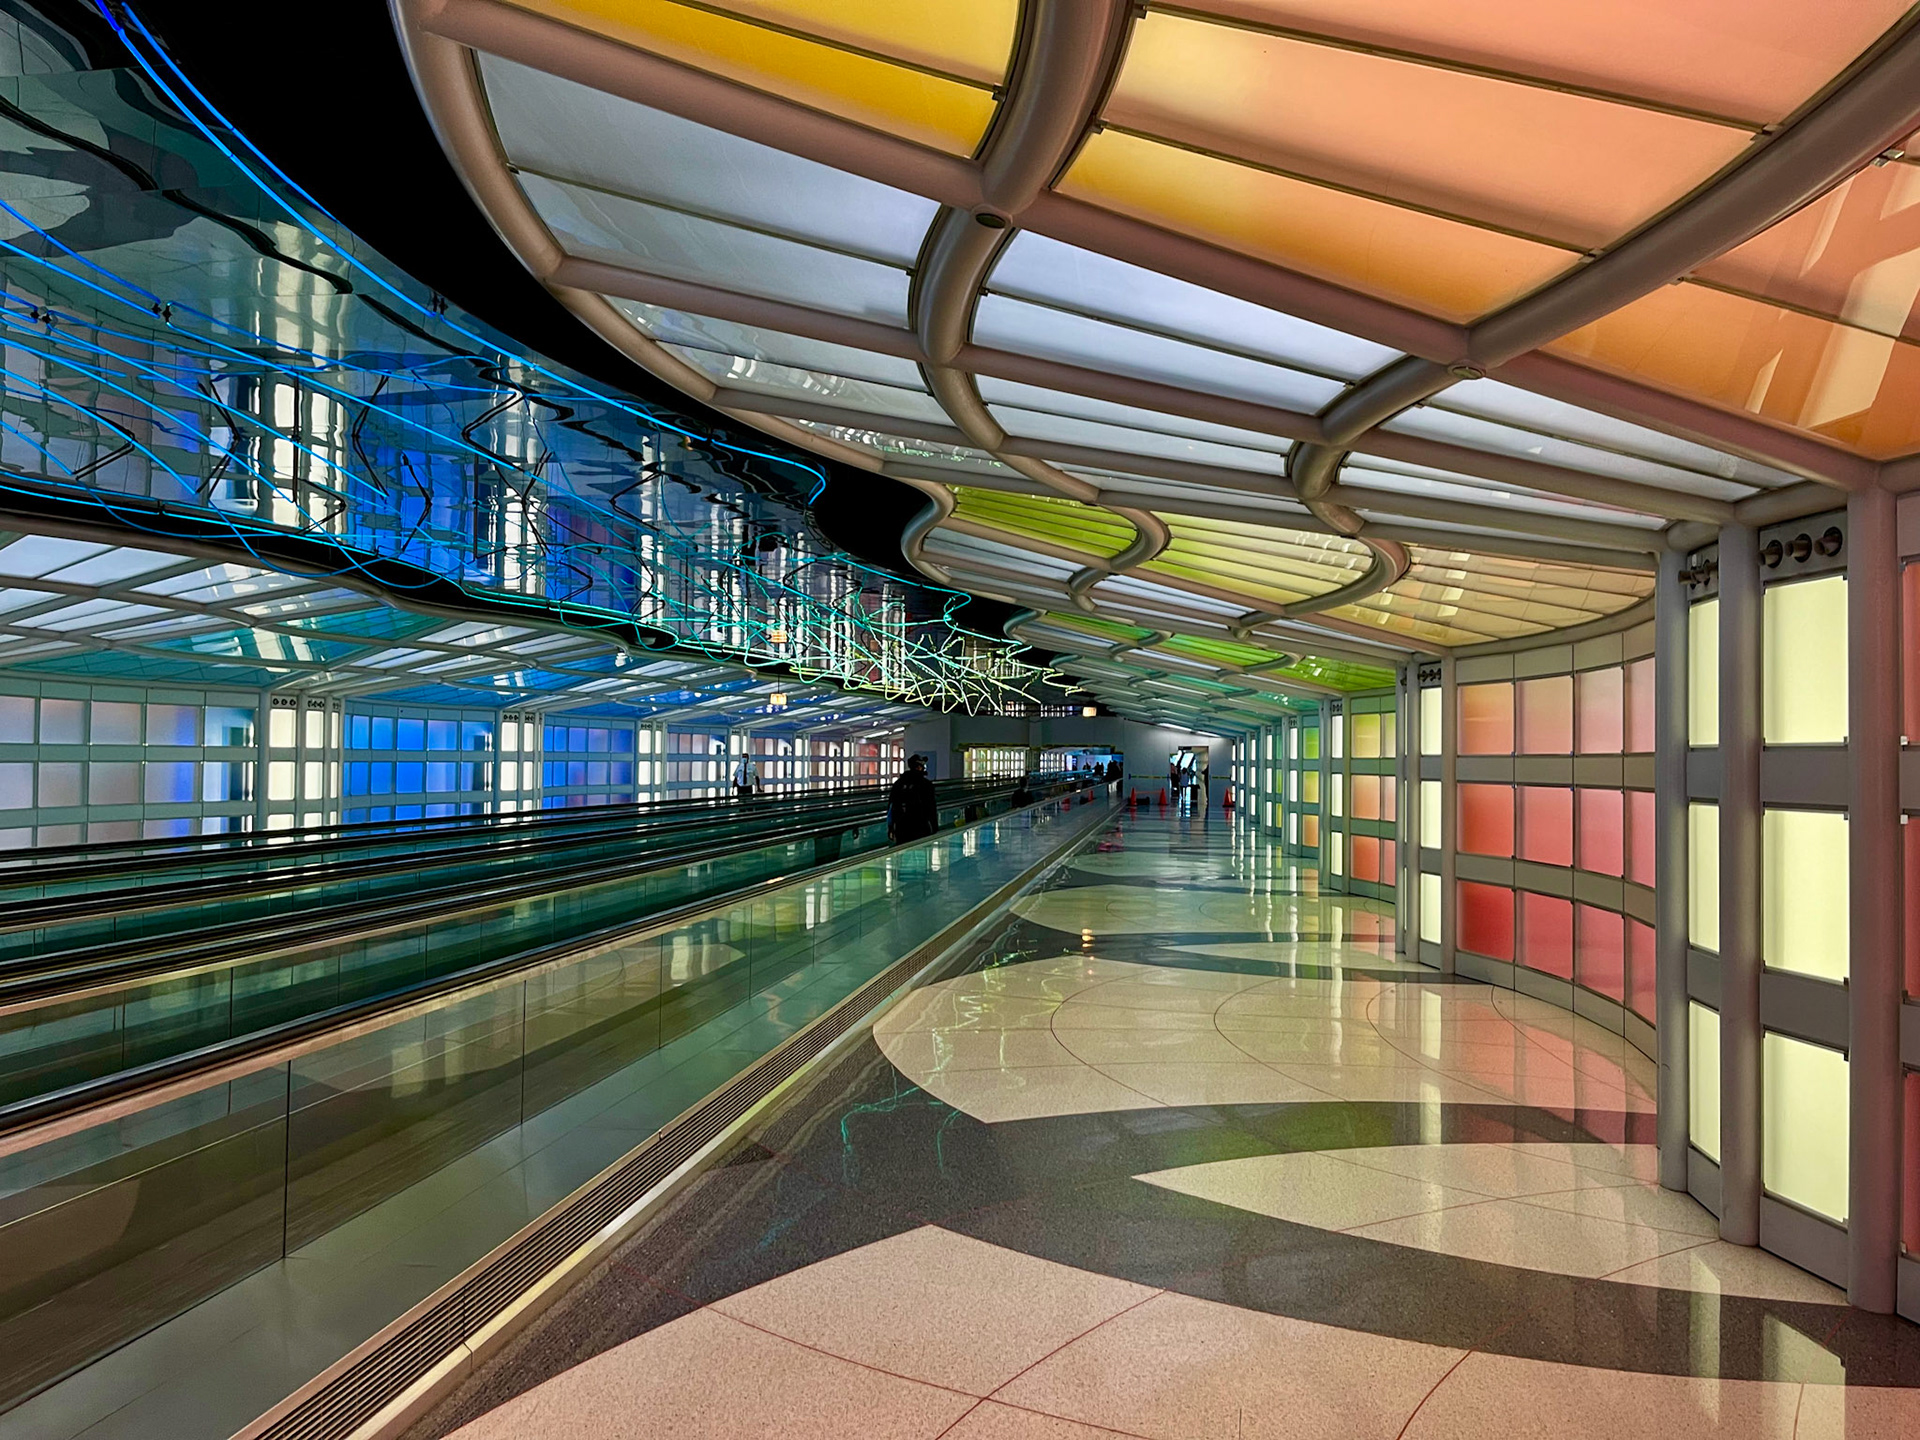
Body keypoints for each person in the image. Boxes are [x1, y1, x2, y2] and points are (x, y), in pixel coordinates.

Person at [887, 753, 938, 842]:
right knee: (921, 851)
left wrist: (891, 827)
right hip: (920, 826)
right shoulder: (926, 784)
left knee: (902, 850)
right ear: (919, 767)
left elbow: (891, 806)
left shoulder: (899, 783)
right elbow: (931, 807)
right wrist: (934, 827)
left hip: (901, 826)